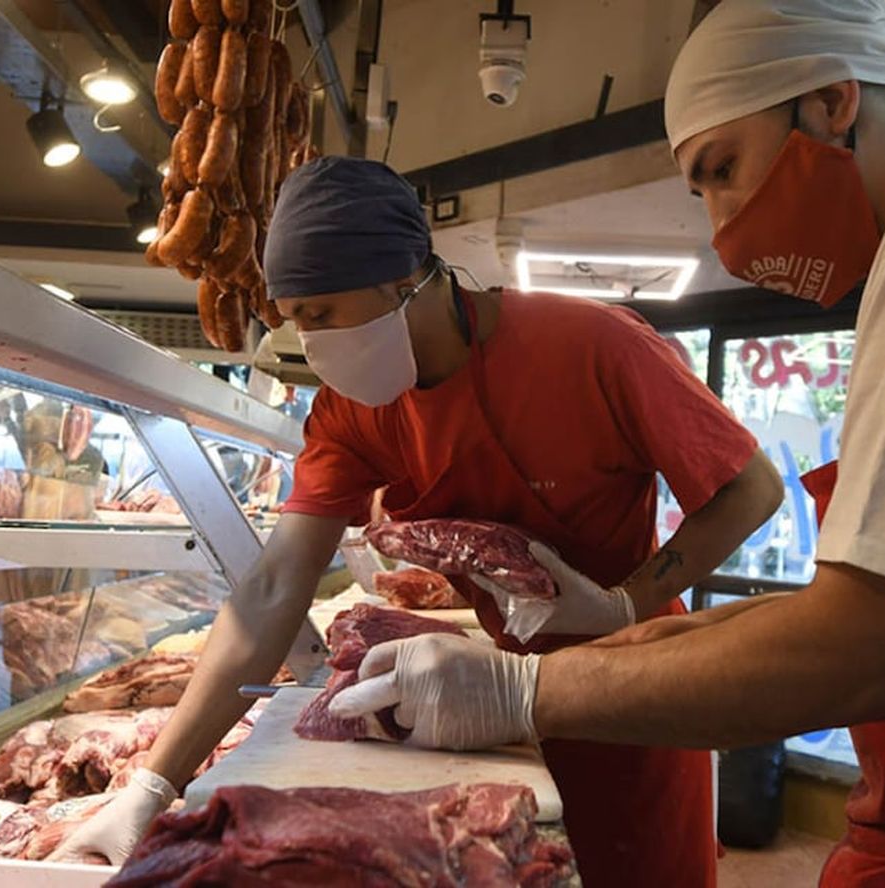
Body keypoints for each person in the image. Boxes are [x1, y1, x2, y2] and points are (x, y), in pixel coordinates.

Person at [52, 157, 783, 886]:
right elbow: (275, 585)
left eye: (319, 315)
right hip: (481, 707)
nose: (308, 341)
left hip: (628, 696)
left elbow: (748, 490)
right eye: (292, 318)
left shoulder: (593, 345)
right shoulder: (351, 412)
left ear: (403, 280)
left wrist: (625, 600)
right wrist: (155, 784)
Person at [331, 2, 885, 885]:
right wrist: (621, 637)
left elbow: (858, 640)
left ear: (830, 102)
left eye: (723, 168)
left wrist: (553, 670)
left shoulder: (591, 342)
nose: (719, 227)